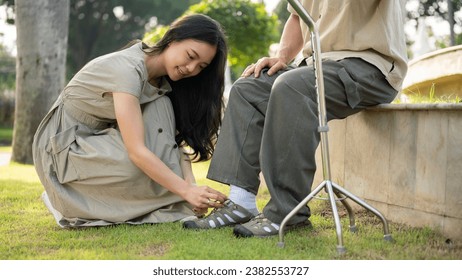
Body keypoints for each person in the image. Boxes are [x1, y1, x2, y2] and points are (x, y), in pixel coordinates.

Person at [183, 0, 408, 237]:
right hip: (315, 65)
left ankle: (287, 213)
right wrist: (282, 56)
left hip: (370, 67)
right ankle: (241, 203)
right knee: (246, 88)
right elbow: (296, 16)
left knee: (292, 86)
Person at [33, 14, 228, 228]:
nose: (191, 69)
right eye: (190, 56)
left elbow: (174, 144)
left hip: (97, 139)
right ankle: (71, 199)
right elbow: (137, 151)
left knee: (160, 120)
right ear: (173, 38)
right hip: (62, 149)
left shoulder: (161, 83)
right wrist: (185, 191)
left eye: (201, 66)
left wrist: (191, 186)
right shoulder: (127, 70)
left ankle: (177, 200)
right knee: (142, 166)